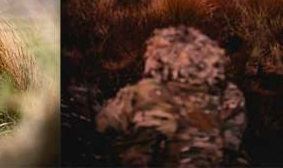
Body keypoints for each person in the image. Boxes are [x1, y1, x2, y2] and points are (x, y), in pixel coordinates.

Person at [94, 26, 248, 167]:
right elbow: (230, 147)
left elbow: (103, 126)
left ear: (157, 59)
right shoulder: (229, 95)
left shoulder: (141, 91)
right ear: (211, 58)